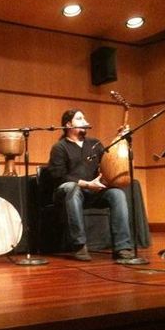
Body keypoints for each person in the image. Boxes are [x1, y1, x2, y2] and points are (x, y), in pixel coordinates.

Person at [47, 109, 134, 261]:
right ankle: (79, 245)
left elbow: (110, 162)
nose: (85, 121)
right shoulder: (59, 147)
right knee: (71, 188)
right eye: (80, 118)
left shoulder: (95, 144)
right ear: (68, 125)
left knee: (117, 194)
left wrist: (122, 139)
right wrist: (86, 184)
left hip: (93, 191)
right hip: (68, 193)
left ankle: (122, 247)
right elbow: (58, 177)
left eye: (84, 118)